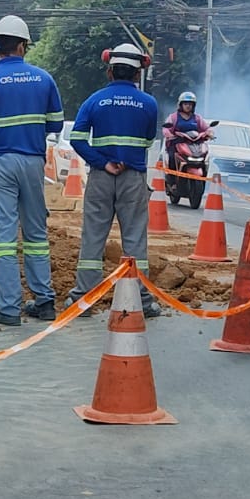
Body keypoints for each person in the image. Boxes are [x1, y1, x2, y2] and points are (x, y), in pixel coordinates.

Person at [0, 15, 64, 325]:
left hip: (0, 162)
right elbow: (56, 124)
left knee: (3, 237)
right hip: (33, 161)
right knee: (36, 232)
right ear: (22, 46)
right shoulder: (44, 79)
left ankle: (9, 308)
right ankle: (44, 302)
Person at [67, 42, 162, 318]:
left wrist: (102, 162)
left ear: (109, 71)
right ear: (137, 73)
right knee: (135, 240)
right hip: (133, 178)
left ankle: (83, 300)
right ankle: (140, 301)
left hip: (101, 177)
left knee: (93, 237)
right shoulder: (148, 103)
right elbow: (148, 140)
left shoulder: (94, 100)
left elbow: (76, 139)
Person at [162, 91, 213, 169]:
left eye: (190, 104)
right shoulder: (173, 117)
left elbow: (206, 128)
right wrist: (170, 135)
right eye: (185, 104)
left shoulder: (197, 118)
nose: (188, 106)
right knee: (171, 157)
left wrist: (210, 133)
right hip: (178, 143)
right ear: (181, 105)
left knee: (205, 155)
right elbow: (166, 129)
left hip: (195, 145)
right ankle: (171, 175)